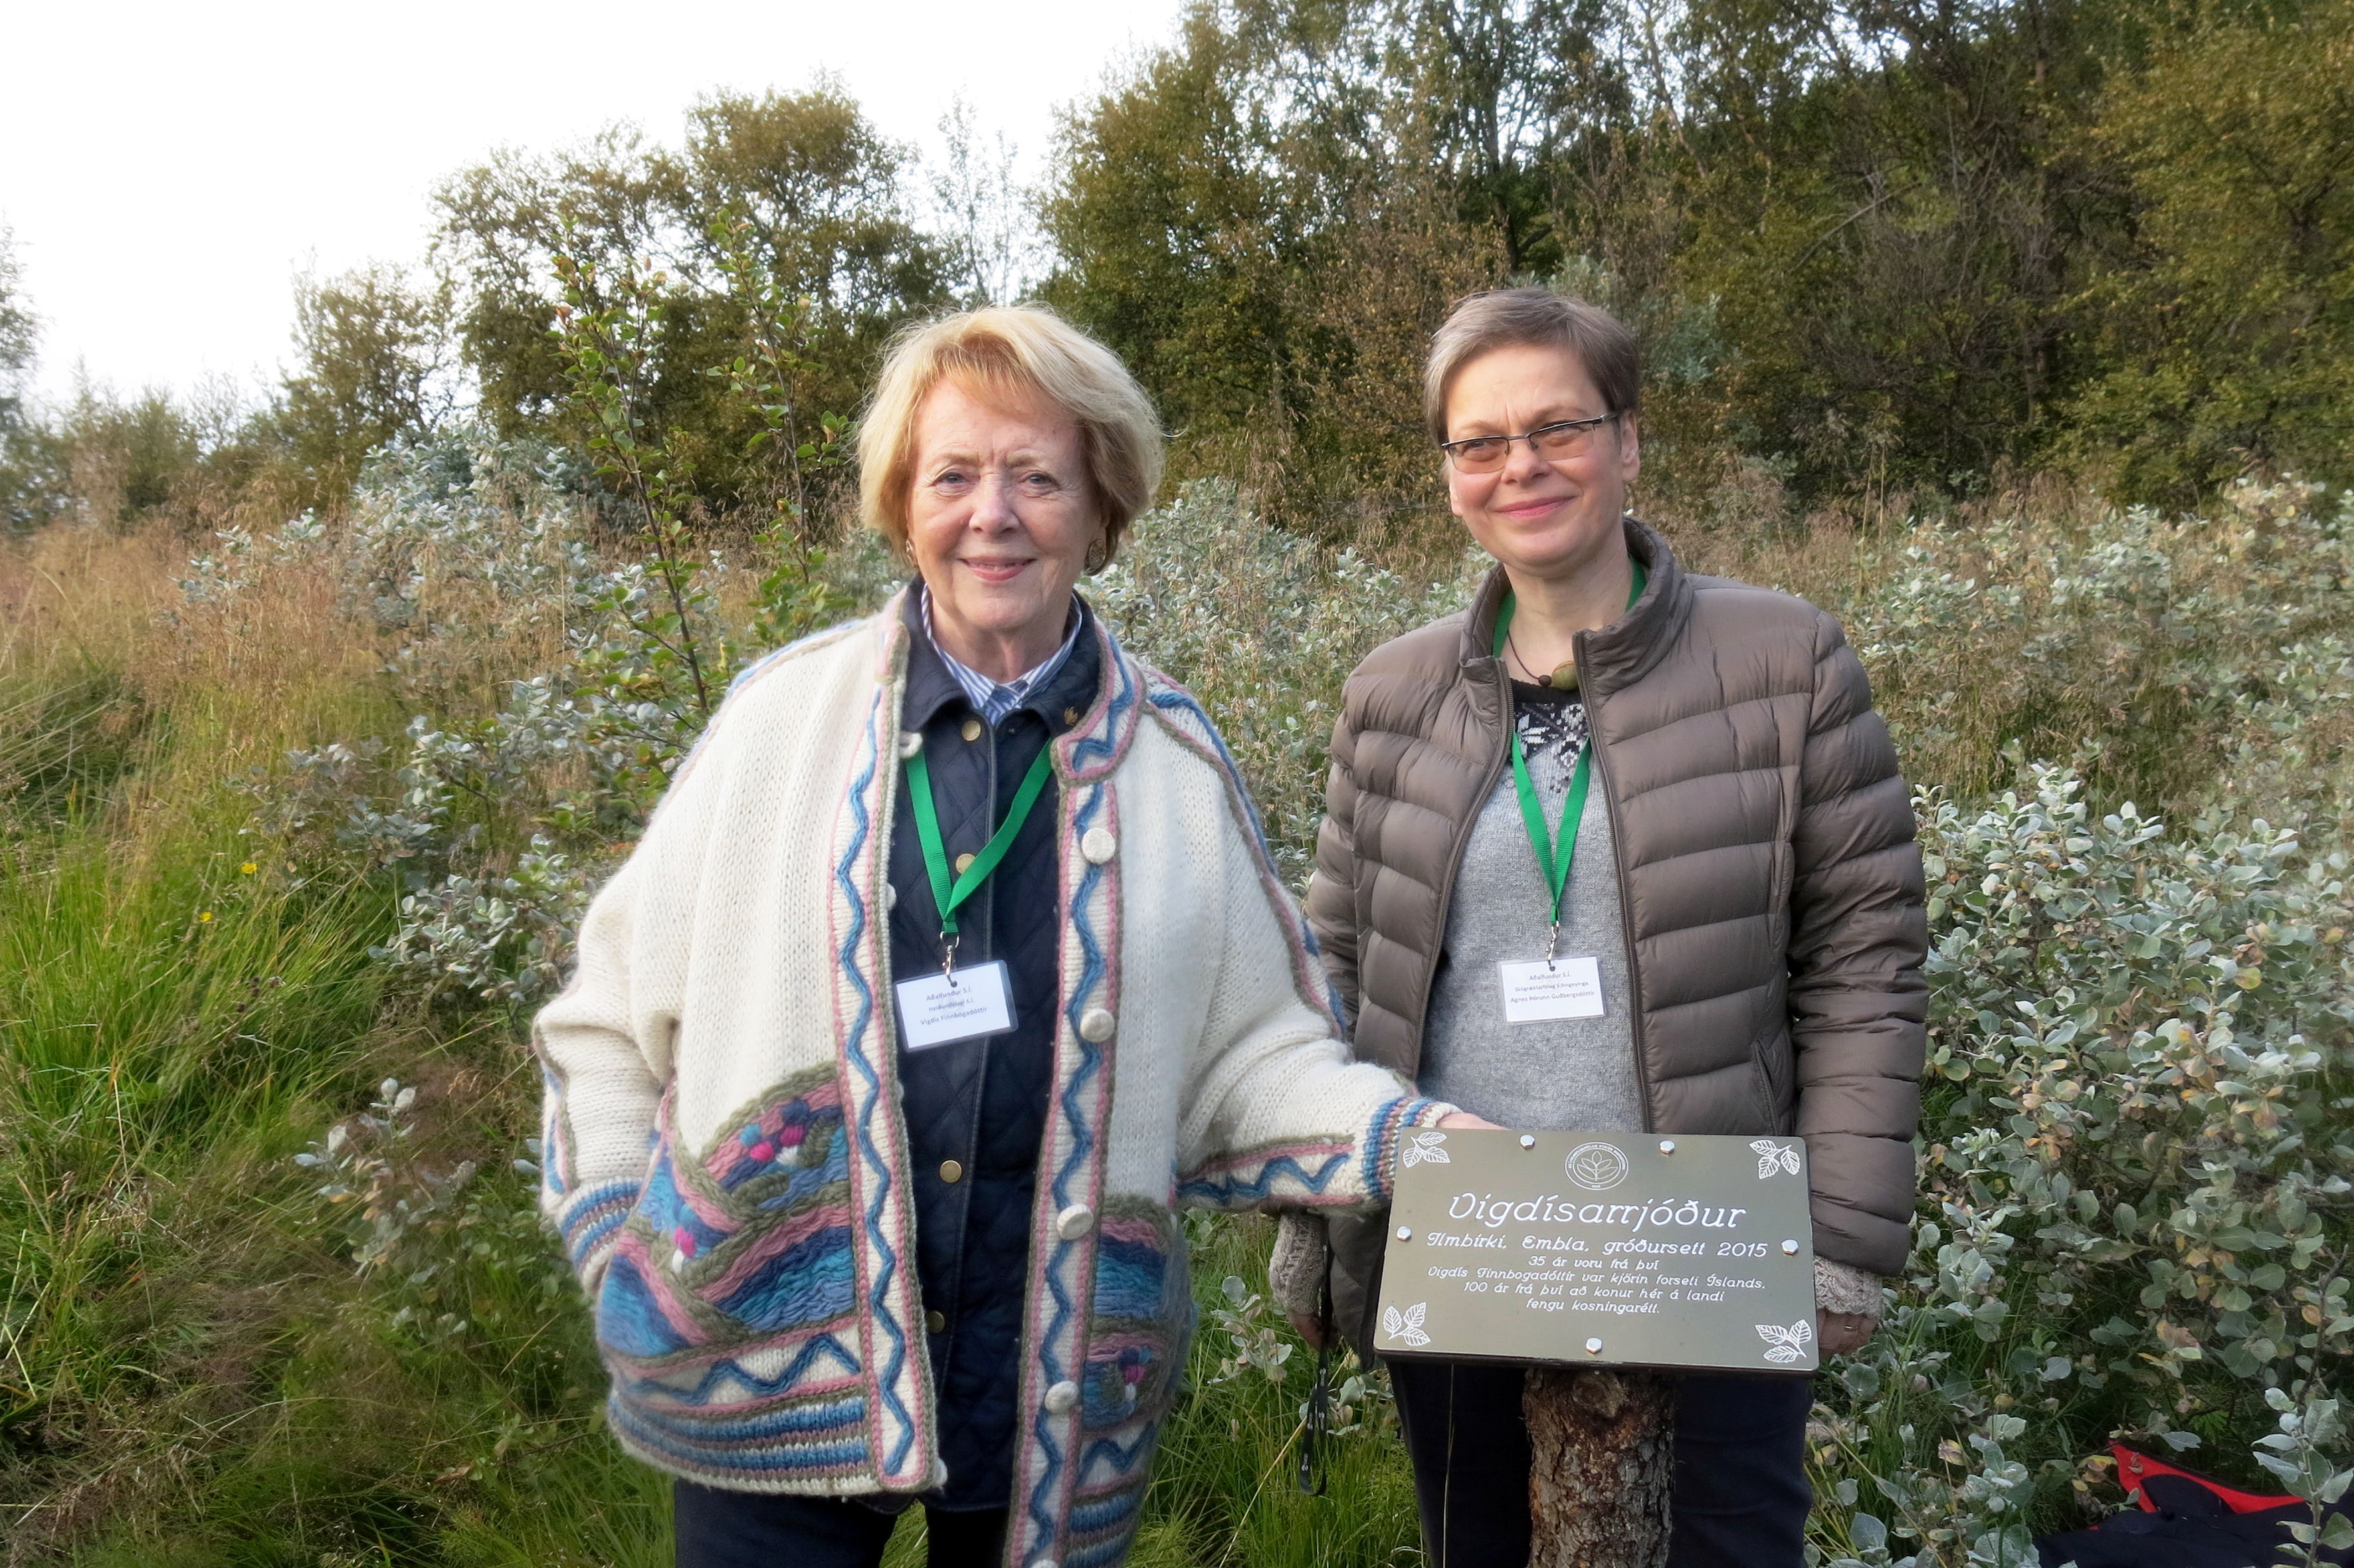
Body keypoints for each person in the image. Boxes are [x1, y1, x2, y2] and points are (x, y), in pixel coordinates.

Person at [531, 304, 1486, 1568]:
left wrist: (1405, 1139)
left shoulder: (1176, 763)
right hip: (756, 1365)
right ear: (902, 503)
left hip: (1055, 1391)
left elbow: (1254, 1054)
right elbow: (603, 1020)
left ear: (1101, 507)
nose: (996, 513)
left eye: (1039, 476)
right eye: (956, 476)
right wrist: (614, 1233)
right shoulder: (777, 725)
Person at [1269, 287, 1927, 1567]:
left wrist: (1840, 1239)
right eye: (1481, 441)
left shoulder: (1784, 661)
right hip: (1460, 1237)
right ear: (1451, 472)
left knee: (1725, 1549)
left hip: (1707, 1241)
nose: (1521, 465)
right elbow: (1337, 967)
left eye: (1559, 426)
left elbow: (1864, 965)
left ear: (1627, 441)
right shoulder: (1392, 693)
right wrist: (1313, 1199)